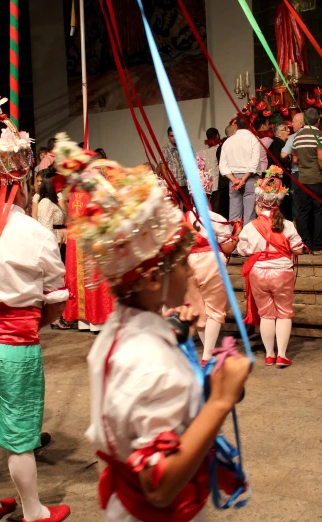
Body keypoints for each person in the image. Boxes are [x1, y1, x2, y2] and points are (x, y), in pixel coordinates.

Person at [60, 151, 251, 521]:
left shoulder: (121, 326)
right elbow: (159, 485)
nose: (188, 273)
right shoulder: (150, 364)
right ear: (150, 278)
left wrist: (175, 336)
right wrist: (220, 402)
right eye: (180, 264)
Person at [0, 98, 70, 522]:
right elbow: (57, 300)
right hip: (14, 344)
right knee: (20, 435)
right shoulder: (36, 234)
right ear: (23, 183)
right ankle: (34, 511)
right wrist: (29, 322)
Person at [238, 168, 304, 366]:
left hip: (258, 272)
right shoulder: (287, 225)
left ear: (259, 205)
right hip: (282, 272)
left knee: (266, 313)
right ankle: (282, 354)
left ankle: (269, 354)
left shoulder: (250, 227)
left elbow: (242, 251)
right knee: (284, 312)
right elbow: (299, 249)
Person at [53, 141, 115, 332]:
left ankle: (84, 319)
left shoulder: (75, 188)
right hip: (92, 238)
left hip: (77, 240)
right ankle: (97, 320)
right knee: (95, 277)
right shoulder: (94, 188)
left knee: (82, 278)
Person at [183, 200, 237, 364]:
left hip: (188, 264)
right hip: (211, 261)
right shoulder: (216, 218)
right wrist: (237, 234)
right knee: (214, 309)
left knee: (198, 310)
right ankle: (207, 356)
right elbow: (228, 248)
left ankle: (207, 353)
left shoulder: (183, 218)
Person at [293, 108, 322, 254]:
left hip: (303, 180)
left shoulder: (297, 136)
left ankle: (305, 244)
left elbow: (295, 159)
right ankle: (319, 246)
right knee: (319, 212)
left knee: (303, 213)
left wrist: (305, 162)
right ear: (318, 120)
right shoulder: (320, 135)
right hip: (317, 179)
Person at [220, 116, 261, 224]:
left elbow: (222, 166)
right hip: (250, 178)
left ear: (236, 126)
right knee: (250, 216)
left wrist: (234, 179)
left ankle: (234, 239)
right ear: (250, 125)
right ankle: (247, 240)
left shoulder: (228, 141)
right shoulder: (254, 139)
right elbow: (254, 164)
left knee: (234, 215)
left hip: (233, 179)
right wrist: (243, 179)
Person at [212, 124, 235, 218]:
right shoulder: (230, 145)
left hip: (223, 181)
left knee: (225, 209)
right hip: (230, 180)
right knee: (228, 210)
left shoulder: (220, 147)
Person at [161, 126, 188, 203]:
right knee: (176, 208)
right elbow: (163, 169)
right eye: (171, 136)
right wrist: (171, 184)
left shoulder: (183, 147)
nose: (174, 138)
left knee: (189, 208)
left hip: (185, 183)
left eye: (175, 135)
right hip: (174, 185)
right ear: (168, 136)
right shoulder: (165, 149)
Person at [195, 128, 221, 204]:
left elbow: (199, 169)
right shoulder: (220, 149)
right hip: (217, 185)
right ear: (217, 136)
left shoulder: (200, 152)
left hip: (206, 187)